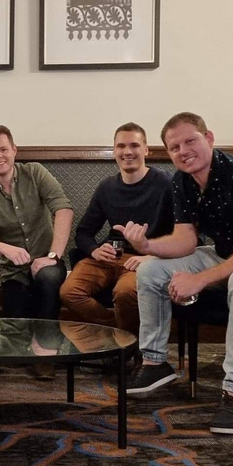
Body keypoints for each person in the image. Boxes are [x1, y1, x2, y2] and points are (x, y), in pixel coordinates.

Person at [117, 112, 233, 435]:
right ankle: (154, 361)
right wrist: (146, 246)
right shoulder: (181, 180)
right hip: (222, 252)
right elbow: (186, 240)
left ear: (209, 138)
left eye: (191, 141)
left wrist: (199, 280)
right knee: (150, 269)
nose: (183, 151)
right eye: (174, 147)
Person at [59, 122, 174, 333]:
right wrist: (95, 249)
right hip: (110, 257)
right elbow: (83, 232)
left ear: (146, 150)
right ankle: (120, 336)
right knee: (69, 292)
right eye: (121, 146)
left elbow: (188, 237)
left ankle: (124, 343)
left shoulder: (167, 183)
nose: (127, 151)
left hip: (146, 260)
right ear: (114, 151)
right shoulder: (107, 187)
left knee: (125, 293)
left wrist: (154, 258)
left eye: (134, 145)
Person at [0, 124, 73, 321]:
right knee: (15, 326)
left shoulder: (35, 172)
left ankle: (48, 338)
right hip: (13, 272)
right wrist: (4, 248)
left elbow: (63, 209)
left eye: (3, 149)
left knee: (47, 278)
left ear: (14, 150)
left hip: (48, 261)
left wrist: (53, 256)